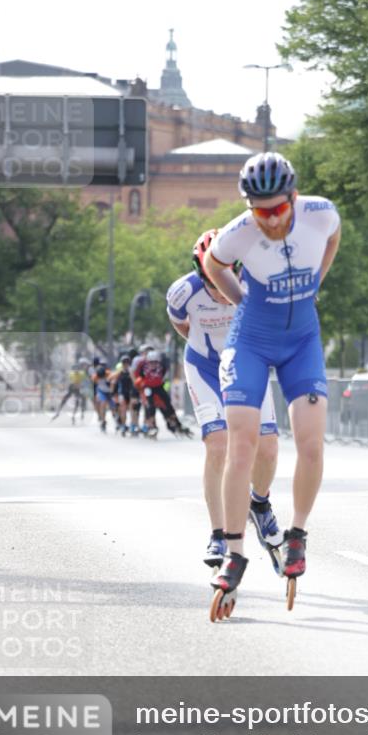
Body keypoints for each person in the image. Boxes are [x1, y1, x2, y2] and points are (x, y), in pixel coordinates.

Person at [205, 152, 341, 600]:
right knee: (239, 443)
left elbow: (334, 238)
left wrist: (316, 283)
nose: (269, 220)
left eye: (278, 210)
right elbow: (213, 264)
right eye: (259, 212)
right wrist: (240, 299)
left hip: (302, 340)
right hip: (251, 340)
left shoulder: (320, 214)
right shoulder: (239, 231)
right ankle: (234, 551)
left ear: (294, 197)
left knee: (311, 442)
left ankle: (297, 534)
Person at [167, 229, 281, 569]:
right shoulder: (182, 292)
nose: (219, 293)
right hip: (203, 367)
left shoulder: (258, 284)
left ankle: (259, 505)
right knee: (217, 445)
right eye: (212, 283)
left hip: (247, 365)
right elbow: (181, 326)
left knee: (268, 446)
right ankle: (218, 533)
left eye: (225, 282)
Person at [132, 348, 192, 438]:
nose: (153, 364)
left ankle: (177, 424)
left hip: (159, 386)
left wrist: (161, 381)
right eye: (151, 362)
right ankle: (151, 426)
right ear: (147, 361)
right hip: (148, 387)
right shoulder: (142, 365)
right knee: (150, 406)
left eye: (155, 362)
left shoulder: (161, 365)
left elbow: (164, 373)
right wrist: (142, 383)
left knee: (168, 404)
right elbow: (137, 375)